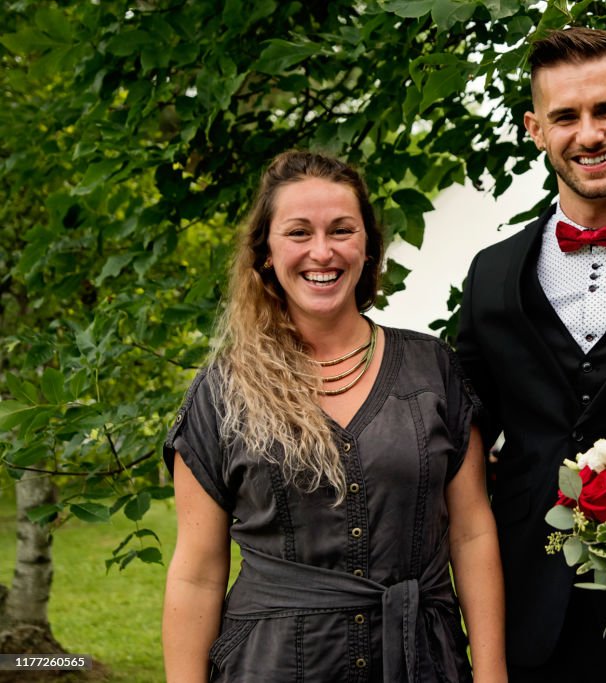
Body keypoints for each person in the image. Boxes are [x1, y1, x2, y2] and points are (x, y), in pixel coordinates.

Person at [162, 150, 506, 683]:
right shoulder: (223, 393)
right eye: (299, 232)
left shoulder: (432, 369)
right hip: (270, 665)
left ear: (367, 247)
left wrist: (491, 675)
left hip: (422, 662)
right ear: (266, 253)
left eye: (341, 230)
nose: (322, 251)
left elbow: (471, 532)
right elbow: (198, 573)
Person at [456, 28, 606, 682]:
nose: (589, 134)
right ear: (536, 128)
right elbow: (461, 434)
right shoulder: (493, 274)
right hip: (528, 607)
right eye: (565, 116)